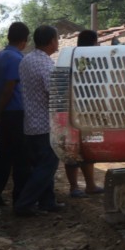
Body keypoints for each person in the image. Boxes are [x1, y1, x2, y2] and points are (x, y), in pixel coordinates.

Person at [14, 25, 64, 217]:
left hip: (30, 123)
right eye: (57, 38)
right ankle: (24, 204)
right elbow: (54, 92)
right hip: (44, 124)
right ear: (52, 40)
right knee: (47, 166)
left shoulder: (27, 60)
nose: (57, 42)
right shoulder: (45, 64)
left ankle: (47, 202)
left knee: (41, 165)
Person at [0, 21, 31, 207]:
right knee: (21, 158)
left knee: (2, 155)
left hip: (4, 113)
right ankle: (20, 200)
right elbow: (9, 89)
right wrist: (0, 113)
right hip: (14, 113)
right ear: (25, 40)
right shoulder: (16, 59)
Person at [64, 30, 104, 199]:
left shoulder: (73, 56)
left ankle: (76, 187)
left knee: (73, 148)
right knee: (86, 147)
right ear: (93, 42)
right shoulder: (89, 58)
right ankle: (89, 185)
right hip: (87, 109)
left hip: (73, 109)